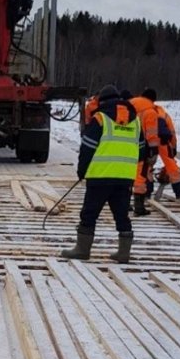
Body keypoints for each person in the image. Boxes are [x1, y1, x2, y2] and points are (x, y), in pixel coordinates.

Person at [62, 85, 142, 263]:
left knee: (89, 213)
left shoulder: (100, 119)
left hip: (100, 176)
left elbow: (87, 148)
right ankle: (124, 253)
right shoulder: (135, 121)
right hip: (124, 178)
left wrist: (82, 171)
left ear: (102, 101)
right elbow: (143, 149)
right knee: (121, 214)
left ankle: (82, 250)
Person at [141, 88, 180, 198]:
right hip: (164, 141)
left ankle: (147, 190)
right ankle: (179, 191)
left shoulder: (143, 111)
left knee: (147, 166)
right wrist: (174, 147)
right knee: (172, 166)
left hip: (150, 142)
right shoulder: (162, 112)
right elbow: (172, 131)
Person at [129, 90, 161, 215]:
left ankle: (125, 204)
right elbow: (151, 134)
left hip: (125, 145)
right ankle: (139, 207)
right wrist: (153, 150)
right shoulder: (150, 111)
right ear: (153, 99)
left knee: (127, 175)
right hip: (142, 147)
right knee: (140, 177)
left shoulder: (130, 104)